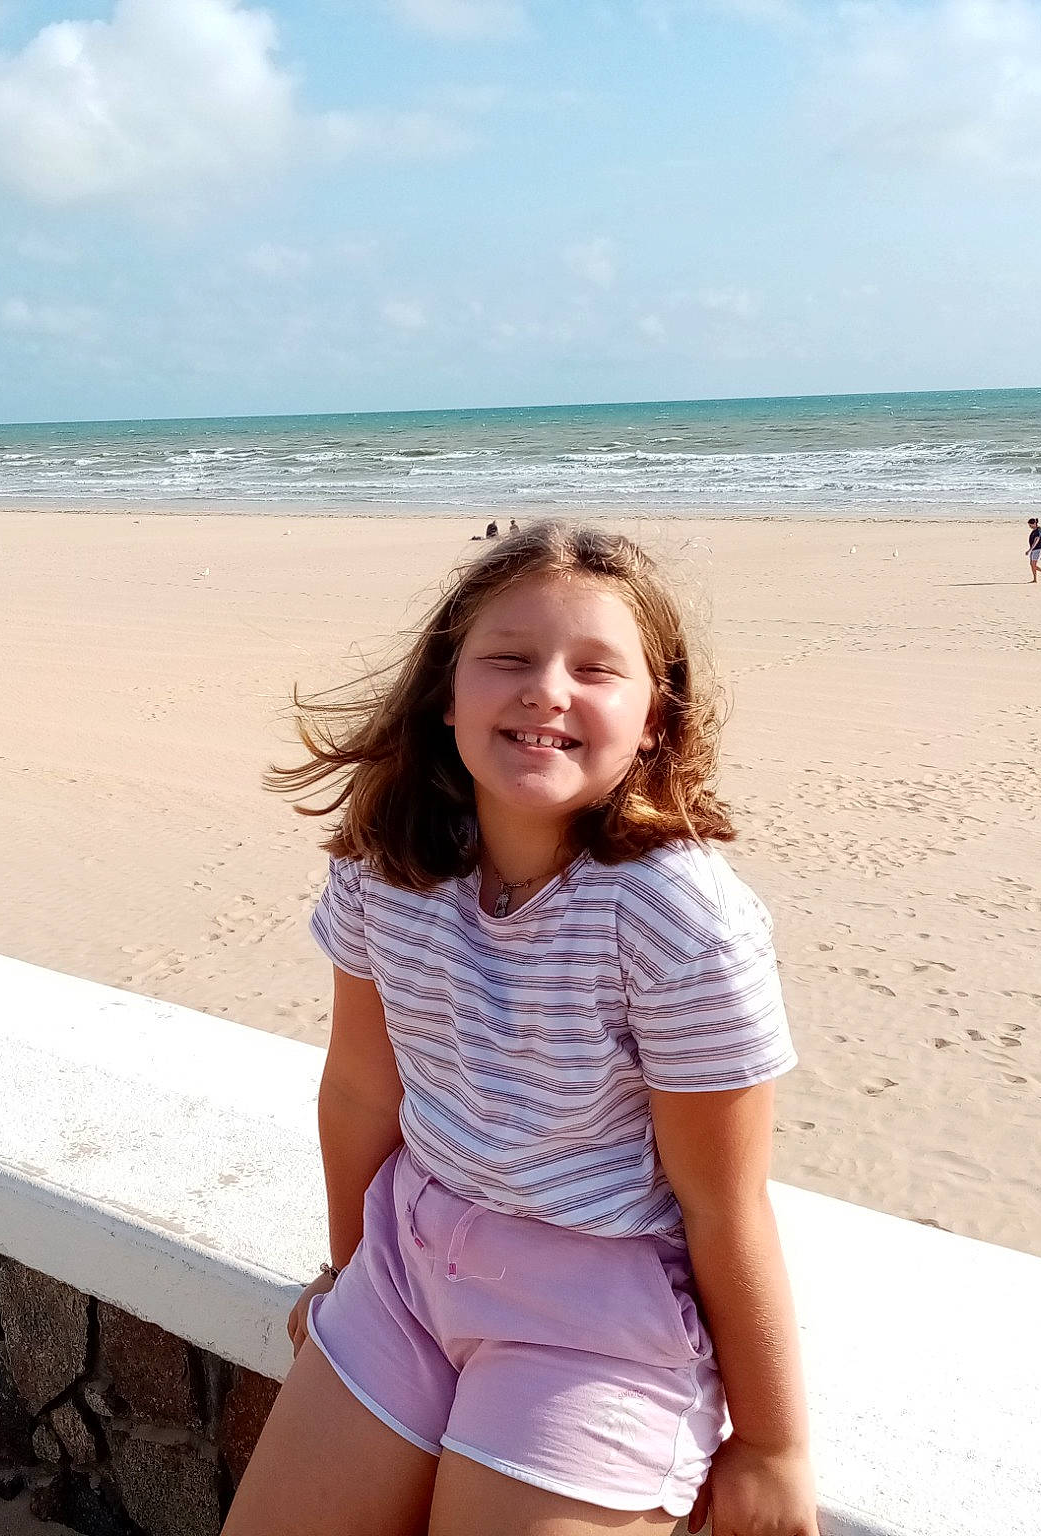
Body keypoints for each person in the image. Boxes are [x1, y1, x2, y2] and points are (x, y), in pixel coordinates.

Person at [232, 522, 815, 1536]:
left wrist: (770, 1445)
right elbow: (363, 1091)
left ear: (653, 722)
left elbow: (724, 1201)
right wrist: (343, 1269)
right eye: (508, 658)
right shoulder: (387, 864)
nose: (547, 688)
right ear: (444, 696)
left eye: (594, 670)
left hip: (591, 1324)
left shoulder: (677, 919)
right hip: (408, 1268)